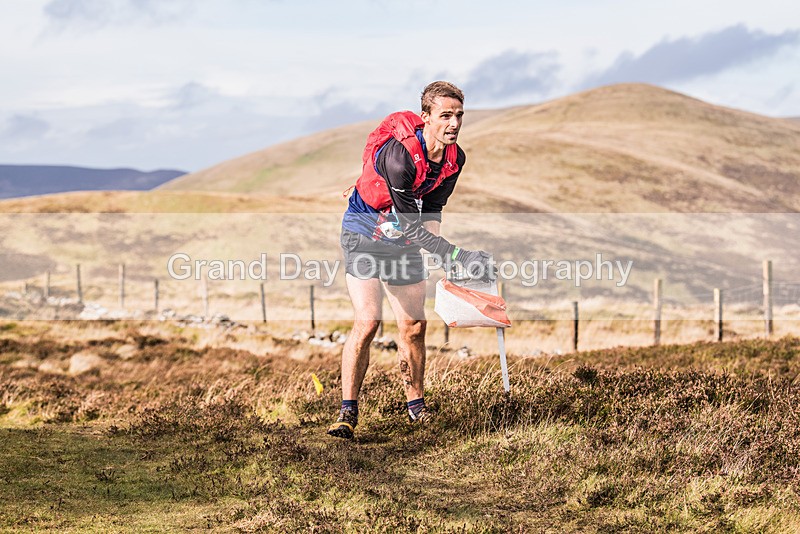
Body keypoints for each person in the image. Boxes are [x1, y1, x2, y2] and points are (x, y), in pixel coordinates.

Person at [327, 81, 493, 440]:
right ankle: (347, 412)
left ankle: (417, 411)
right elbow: (411, 226)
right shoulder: (401, 157)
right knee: (369, 322)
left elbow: (431, 213)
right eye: (445, 115)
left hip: (403, 239)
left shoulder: (454, 159)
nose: (454, 123)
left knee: (414, 327)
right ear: (426, 117)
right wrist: (457, 255)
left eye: (459, 115)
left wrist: (444, 259)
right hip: (364, 234)